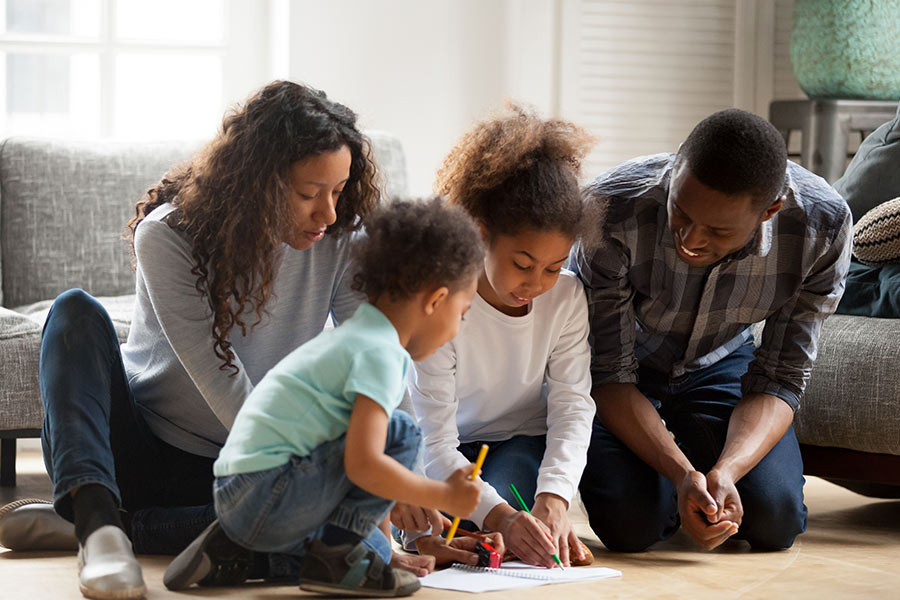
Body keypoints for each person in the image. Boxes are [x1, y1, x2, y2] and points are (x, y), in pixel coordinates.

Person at [0, 80, 384, 600]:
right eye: (308, 193)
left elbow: (374, 358)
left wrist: (389, 485)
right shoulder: (169, 233)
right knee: (73, 312)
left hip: (236, 474)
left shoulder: (340, 241)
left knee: (354, 537)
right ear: (258, 183)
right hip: (140, 453)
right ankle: (99, 528)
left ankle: (113, 526)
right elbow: (217, 374)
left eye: (338, 190)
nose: (330, 213)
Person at [164, 198, 485, 597]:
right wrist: (442, 494)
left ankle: (237, 551)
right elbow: (366, 465)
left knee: (376, 508)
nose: (457, 329)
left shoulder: (353, 339)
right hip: (270, 494)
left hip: (237, 495)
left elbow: (360, 473)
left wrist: (382, 552)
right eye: (463, 312)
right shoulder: (381, 354)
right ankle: (335, 559)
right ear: (436, 300)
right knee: (402, 431)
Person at [570, 108, 853, 552]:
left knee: (774, 519)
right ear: (676, 166)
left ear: (770, 210)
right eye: (680, 212)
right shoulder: (610, 209)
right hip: (623, 375)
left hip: (718, 363)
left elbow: (781, 377)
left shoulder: (822, 226)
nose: (691, 239)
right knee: (634, 526)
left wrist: (727, 471)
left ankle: (701, 464)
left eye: (719, 230)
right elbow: (608, 371)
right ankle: (668, 472)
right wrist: (683, 473)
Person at [404, 104, 598, 568]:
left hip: (516, 442)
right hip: (444, 448)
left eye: (554, 267)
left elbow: (573, 404)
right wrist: (501, 515)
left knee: (512, 524)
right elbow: (434, 444)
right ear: (480, 233)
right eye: (523, 264)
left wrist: (555, 497)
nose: (535, 284)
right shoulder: (442, 301)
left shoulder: (567, 298)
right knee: (445, 528)